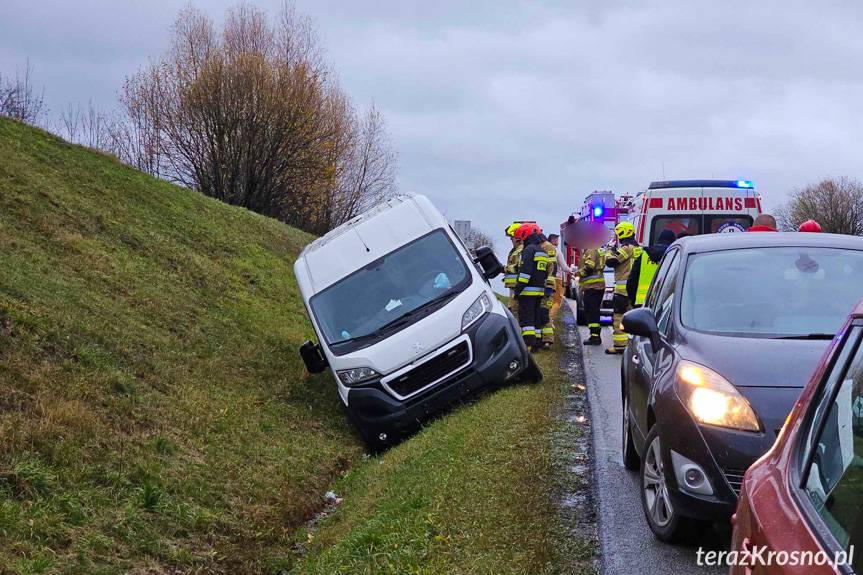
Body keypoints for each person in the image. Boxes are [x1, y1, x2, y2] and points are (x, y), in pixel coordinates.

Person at [605, 221, 641, 355]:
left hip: (622, 290)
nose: (618, 237)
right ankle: (634, 346)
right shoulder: (639, 249)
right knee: (635, 319)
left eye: (619, 233)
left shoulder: (627, 248)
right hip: (636, 290)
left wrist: (609, 249)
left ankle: (620, 346)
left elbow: (611, 262)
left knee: (619, 317)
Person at [513, 223, 548, 352]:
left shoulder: (528, 250)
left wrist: (518, 290)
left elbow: (525, 274)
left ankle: (529, 343)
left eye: (521, 239)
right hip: (539, 291)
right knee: (536, 318)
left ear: (524, 236)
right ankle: (537, 342)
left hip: (527, 291)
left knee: (527, 318)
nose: (521, 241)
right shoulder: (541, 250)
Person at [627, 229, 676, 308]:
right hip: (665, 303)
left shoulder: (644, 255)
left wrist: (634, 301)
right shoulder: (673, 255)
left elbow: (631, 281)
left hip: (642, 302)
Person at [577, 236, 606, 346]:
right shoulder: (598, 249)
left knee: (591, 312)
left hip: (592, 286)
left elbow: (589, 266)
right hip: (597, 286)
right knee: (594, 311)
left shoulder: (591, 250)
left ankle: (595, 337)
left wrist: (578, 273)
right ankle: (595, 335)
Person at [538, 234, 558, 348]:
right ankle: (546, 340)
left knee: (545, 313)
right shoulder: (545, 247)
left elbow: (552, 267)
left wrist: (549, 286)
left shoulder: (547, 247)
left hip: (546, 287)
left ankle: (547, 340)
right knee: (544, 312)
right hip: (544, 286)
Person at [502, 223, 524, 317]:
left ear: (518, 237)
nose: (511, 240)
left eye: (512, 237)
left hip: (518, 287)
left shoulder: (520, 250)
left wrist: (503, 268)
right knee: (512, 309)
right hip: (513, 287)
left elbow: (518, 267)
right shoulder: (516, 250)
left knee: (515, 313)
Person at [548, 233, 571, 318]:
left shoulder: (544, 250)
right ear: (553, 241)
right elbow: (564, 267)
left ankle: (546, 318)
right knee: (557, 300)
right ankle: (550, 319)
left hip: (547, 278)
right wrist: (571, 270)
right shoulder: (557, 251)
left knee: (549, 301)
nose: (558, 242)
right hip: (557, 279)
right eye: (557, 240)